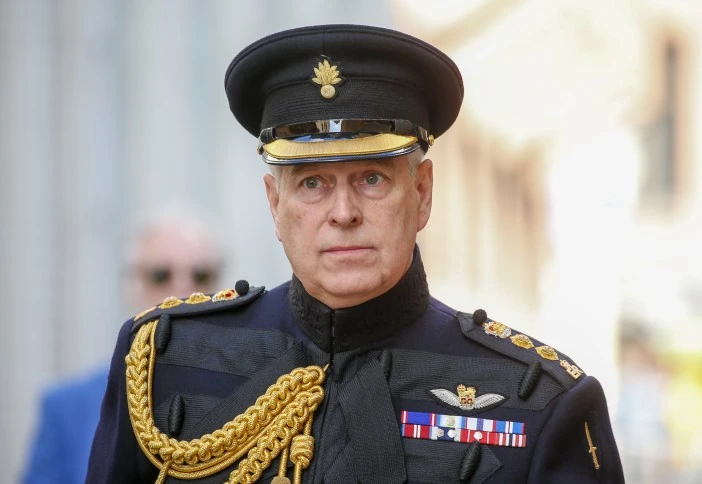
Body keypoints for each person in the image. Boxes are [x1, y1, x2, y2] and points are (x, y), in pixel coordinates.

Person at [87, 24, 624, 483]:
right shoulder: (164, 362)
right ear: (275, 204)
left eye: (372, 179)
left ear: (422, 194)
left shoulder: (537, 401)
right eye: (312, 183)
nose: (343, 213)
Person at [22, 205, 223, 484]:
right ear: (130, 285)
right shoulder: (67, 409)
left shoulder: (252, 398)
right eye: (160, 275)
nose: (183, 291)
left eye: (200, 275)